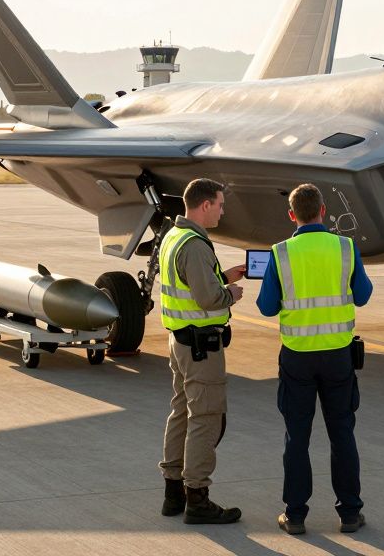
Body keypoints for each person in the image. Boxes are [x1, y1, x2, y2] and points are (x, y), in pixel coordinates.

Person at [256, 183, 373, 535]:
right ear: (323, 211)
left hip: (297, 359)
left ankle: (295, 515)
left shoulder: (281, 253)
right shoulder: (346, 247)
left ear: (292, 215)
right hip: (338, 356)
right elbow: (363, 295)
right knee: (342, 434)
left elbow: (266, 307)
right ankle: (349, 513)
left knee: (297, 438)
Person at [158, 178, 247, 525]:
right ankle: (197, 498)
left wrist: (223, 276)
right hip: (200, 348)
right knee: (206, 418)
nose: (222, 212)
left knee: (181, 413)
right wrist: (230, 294)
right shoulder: (195, 245)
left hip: (180, 341)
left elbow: (191, 284)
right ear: (205, 205)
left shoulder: (174, 236)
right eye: (220, 205)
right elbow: (208, 298)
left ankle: (173, 493)